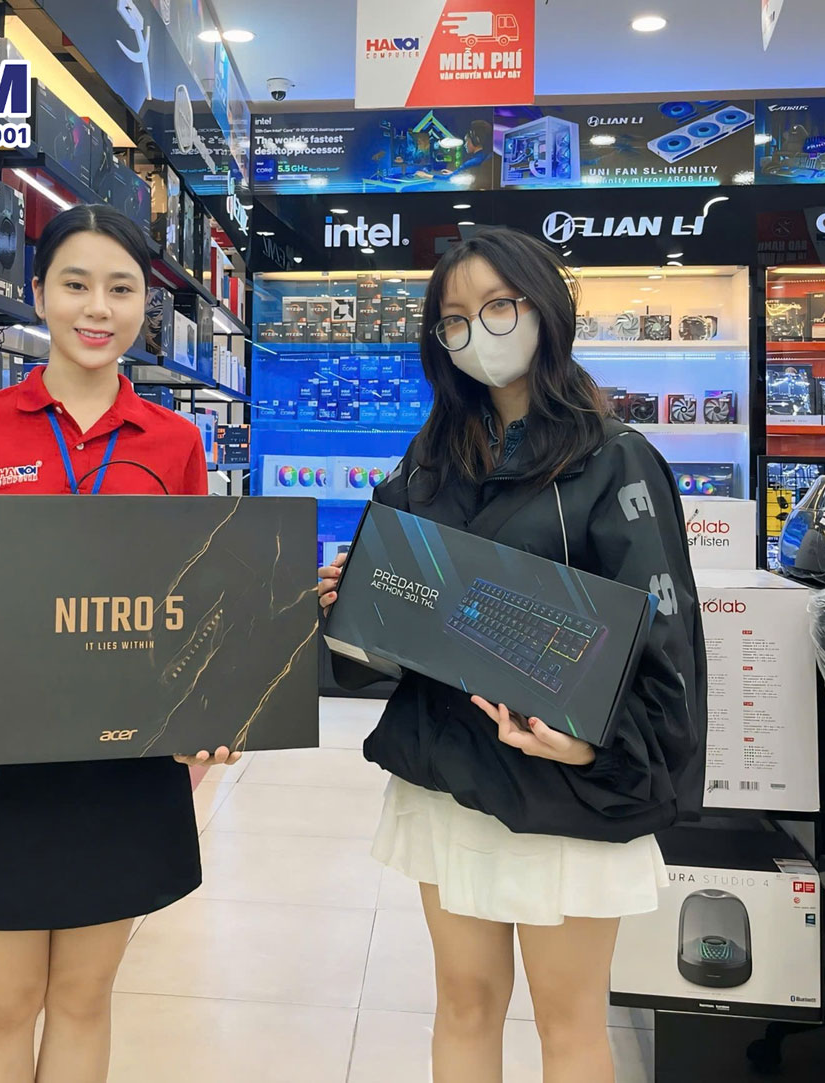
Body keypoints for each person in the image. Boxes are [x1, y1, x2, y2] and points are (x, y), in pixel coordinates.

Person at [318, 226, 705, 1083]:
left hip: (564, 787)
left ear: (545, 308)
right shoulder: (429, 458)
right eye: (454, 319)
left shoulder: (616, 459)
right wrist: (354, 601)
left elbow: (663, 641)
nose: (477, 333)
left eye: (499, 306)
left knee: (568, 1025)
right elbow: (396, 628)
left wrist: (596, 745)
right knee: (463, 1004)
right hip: (449, 776)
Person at [0, 205, 239, 1083]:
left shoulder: (175, 442)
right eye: (76, 284)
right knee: (5, 1002)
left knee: (85, 998)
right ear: (39, 291)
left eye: (121, 289)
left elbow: (192, 601)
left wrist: (206, 714)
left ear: (144, 307)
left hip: (119, 761)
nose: (97, 308)